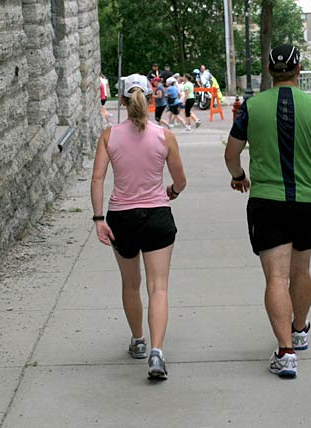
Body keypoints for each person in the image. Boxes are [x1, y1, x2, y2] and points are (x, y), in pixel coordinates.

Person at [224, 45, 311, 378]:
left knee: (276, 277)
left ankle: (285, 353)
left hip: (267, 201)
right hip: (307, 202)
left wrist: (239, 176)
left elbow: (231, 153)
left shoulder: (252, 108)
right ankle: (299, 330)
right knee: (300, 272)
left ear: (270, 71)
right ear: (299, 70)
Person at [90, 73, 187, 380]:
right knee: (158, 287)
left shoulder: (109, 136)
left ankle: (138, 341)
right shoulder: (164, 136)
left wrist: (98, 219)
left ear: (121, 100)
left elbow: (97, 178)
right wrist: (172, 192)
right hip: (157, 215)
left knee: (130, 284)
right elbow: (180, 181)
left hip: (122, 218)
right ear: (150, 99)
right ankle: (157, 352)